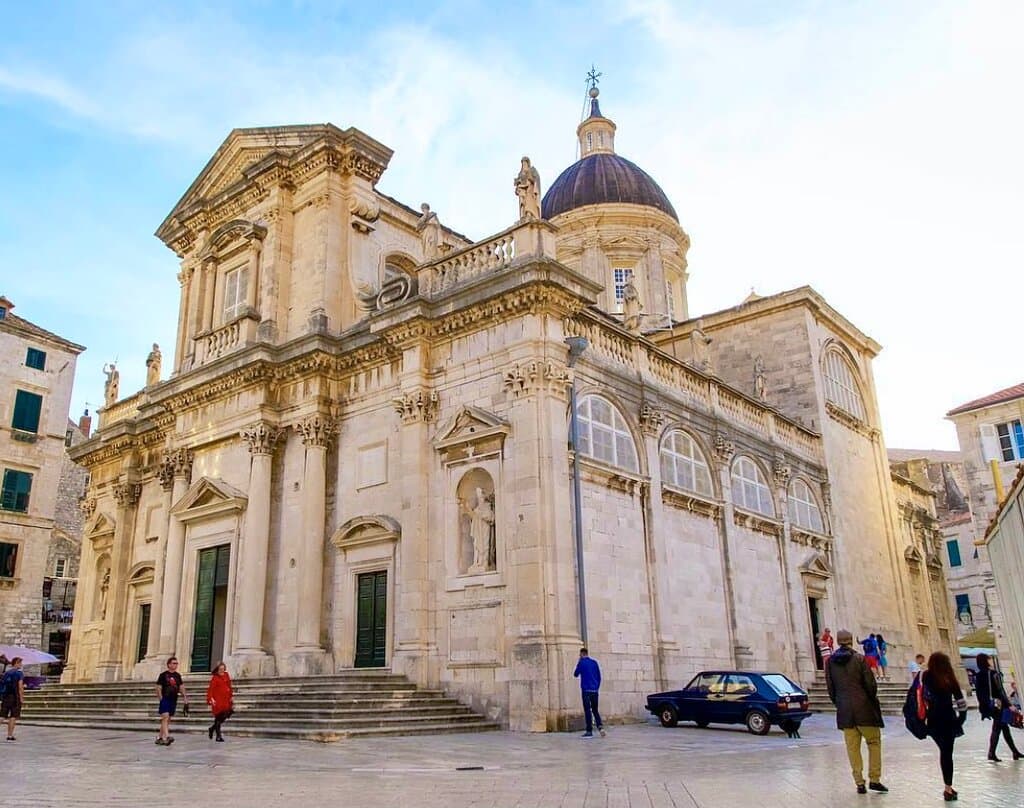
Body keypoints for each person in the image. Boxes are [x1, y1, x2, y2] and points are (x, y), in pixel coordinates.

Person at [826, 629, 888, 794]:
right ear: (851, 640)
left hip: (845, 711)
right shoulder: (859, 659)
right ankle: (874, 779)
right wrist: (870, 699)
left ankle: (859, 782)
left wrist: (840, 703)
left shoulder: (830, 662)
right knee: (873, 743)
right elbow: (870, 684)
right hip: (864, 709)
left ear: (838, 641)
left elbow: (831, 688)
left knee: (852, 748)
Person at [922, 652, 968, 801]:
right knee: (947, 754)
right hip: (948, 718)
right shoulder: (949, 677)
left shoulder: (927, 676)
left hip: (933, 719)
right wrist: (962, 718)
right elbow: (960, 699)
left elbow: (924, 695)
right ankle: (948, 788)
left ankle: (948, 788)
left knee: (944, 751)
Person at [974, 652, 1022, 761]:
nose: (991, 660)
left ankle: (1014, 752)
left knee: (1004, 728)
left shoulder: (978, 675)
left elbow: (979, 693)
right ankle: (992, 753)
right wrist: (1009, 705)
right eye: (989, 659)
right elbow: (1000, 691)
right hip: (999, 705)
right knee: (998, 728)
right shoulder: (993, 674)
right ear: (986, 661)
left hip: (990, 705)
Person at [573, 647, 606, 739]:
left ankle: (589, 731)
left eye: (580, 655)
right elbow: (599, 677)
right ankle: (600, 727)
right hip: (595, 690)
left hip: (586, 690)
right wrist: (596, 687)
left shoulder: (581, 663)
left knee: (587, 710)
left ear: (582, 654)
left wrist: (579, 663)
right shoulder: (594, 663)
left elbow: (575, 674)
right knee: (595, 710)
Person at [155, 656, 187, 746]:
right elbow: (158, 687)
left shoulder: (177, 676)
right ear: (169, 664)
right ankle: (167, 737)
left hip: (173, 699)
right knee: (165, 717)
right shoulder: (163, 675)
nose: (175, 665)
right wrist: (161, 698)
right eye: (174, 663)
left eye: (176, 663)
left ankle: (159, 737)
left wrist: (185, 697)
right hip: (165, 698)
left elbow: (181, 686)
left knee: (167, 719)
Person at [206, 662, 234, 742]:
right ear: (217, 669)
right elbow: (211, 689)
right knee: (218, 717)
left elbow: (229, 686)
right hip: (218, 700)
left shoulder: (226, 675)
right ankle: (218, 736)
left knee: (227, 714)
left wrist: (231, 696)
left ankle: (212, 728)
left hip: (226, 699)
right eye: (220, 669)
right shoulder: (215, 677)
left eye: (223, 669)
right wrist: (211, 699)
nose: (222, 670)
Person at [1, 657, 25, 741]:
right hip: (15, 697)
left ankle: (10, 735)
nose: (21, 664)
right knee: (13, 716)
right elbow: (20, 687)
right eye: (20, 663)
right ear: (16, 663)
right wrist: (21, 698)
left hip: (6, 696)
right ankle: (10, 735)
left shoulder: (6, 673)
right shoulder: (19, 673)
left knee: (2, 716)